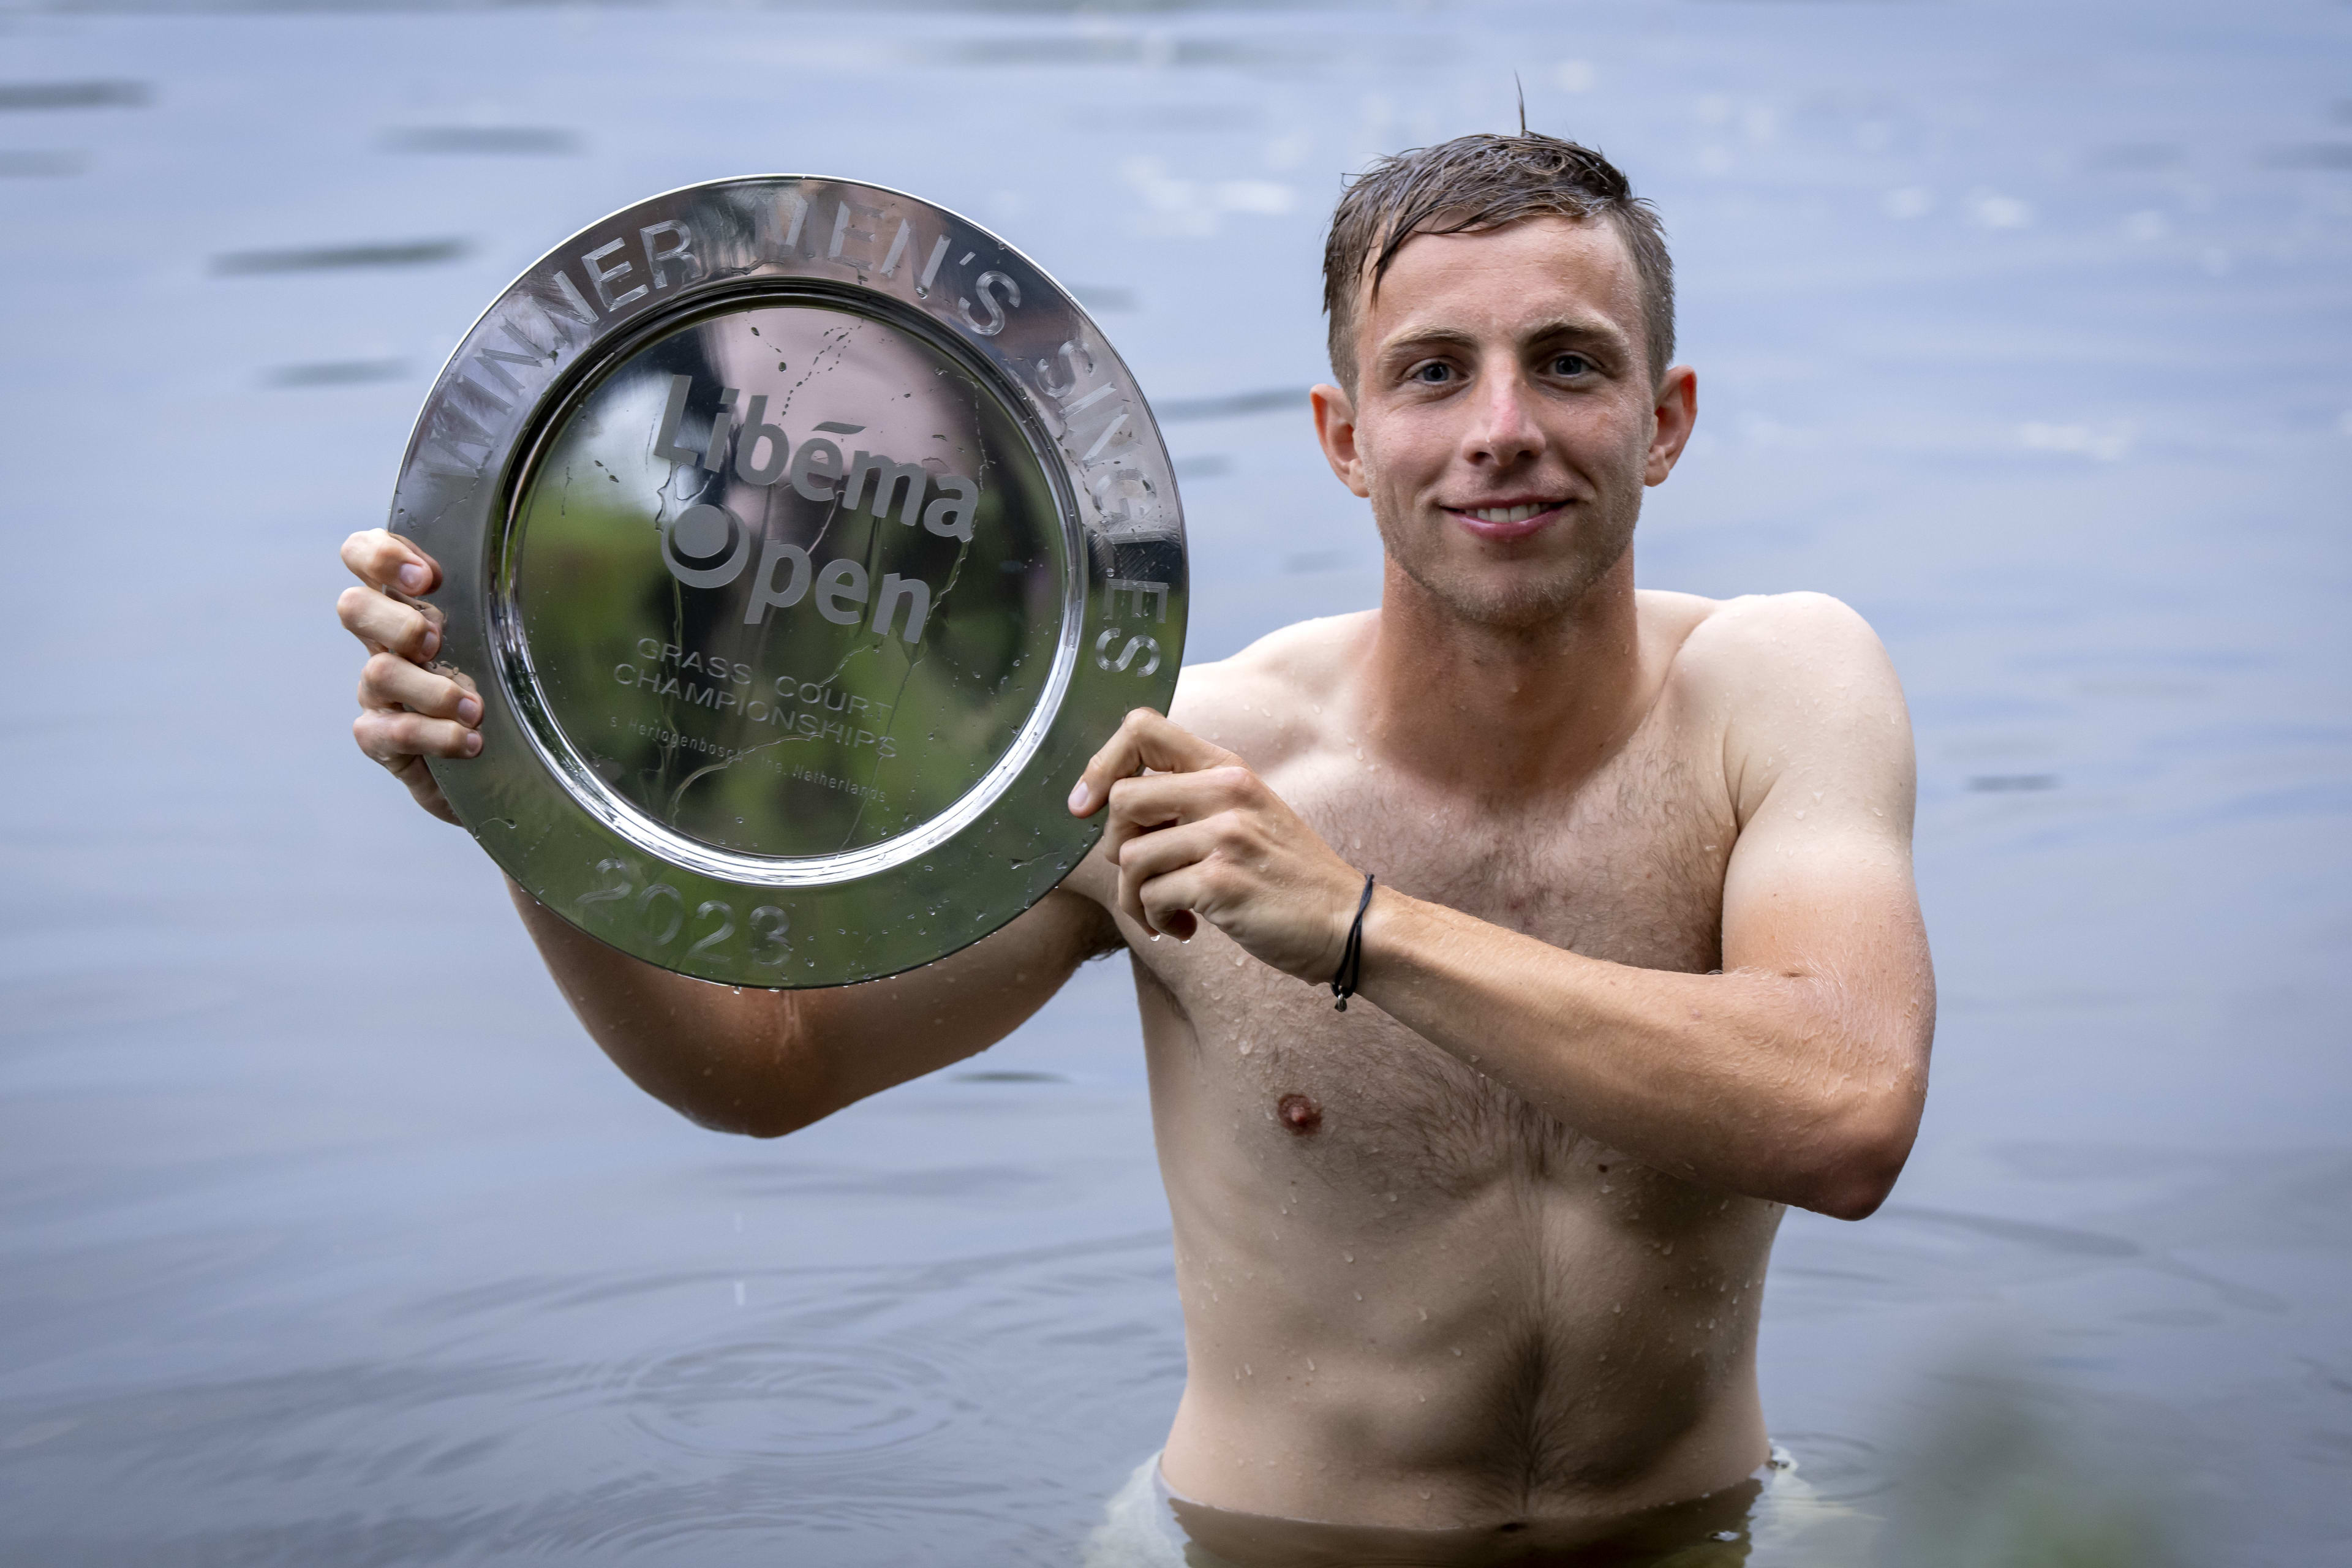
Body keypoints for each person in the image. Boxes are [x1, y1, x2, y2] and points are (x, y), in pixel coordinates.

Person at [337, 133, 1932, 1561]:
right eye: (1433, 372)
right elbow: (769, 1069)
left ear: (1666, 422)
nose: (1501, 427)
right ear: (1341, 435)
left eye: (1571, 366)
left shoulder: (1777, 691)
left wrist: (1357, 924)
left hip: (1699, 1537)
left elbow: (1847, 1112)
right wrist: (519, 806)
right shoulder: (1175, 763)